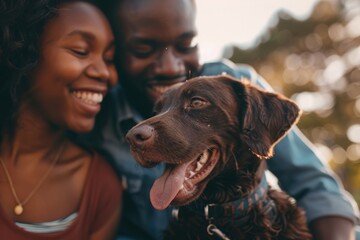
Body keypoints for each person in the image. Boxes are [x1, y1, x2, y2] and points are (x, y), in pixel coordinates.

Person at [85, 0, 360, 239]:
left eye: (186, 44)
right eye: (144, 49)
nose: (171, 66)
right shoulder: (96, 113)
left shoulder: (238, 89)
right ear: (114, 53)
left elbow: (316, 186)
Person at [0, 0, 122, 239]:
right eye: (80, 51)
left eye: (109, 58)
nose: (105, 73)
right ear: (25, 52)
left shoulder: (100, 187)